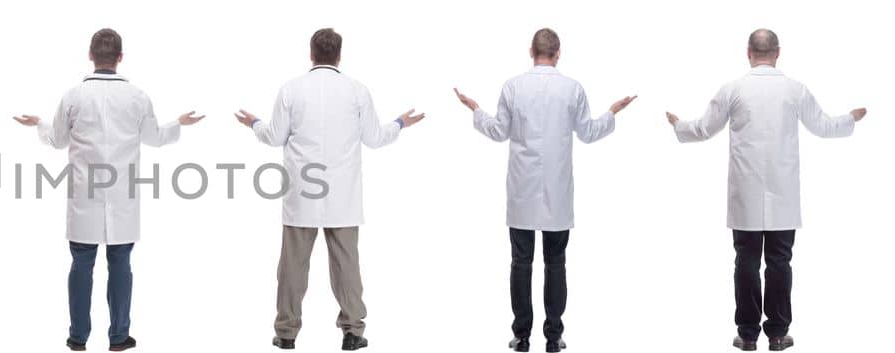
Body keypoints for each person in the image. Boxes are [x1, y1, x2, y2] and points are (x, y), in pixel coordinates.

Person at [664, 28, 866, 352]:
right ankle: (777, 333)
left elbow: (703, 129)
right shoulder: (794, 89)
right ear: (778, 52)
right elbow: (824, 126)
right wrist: (850, 119)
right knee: (780, 262)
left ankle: (747, 335)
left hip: (745, 192)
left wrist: (678, 125)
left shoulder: (734, 89)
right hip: (783, 193)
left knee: (745, 261)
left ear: (748, 52)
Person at [12, 27, 205, 352]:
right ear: (120, 58)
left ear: (90, 56)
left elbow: (58, 141)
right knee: (120, 263)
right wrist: (178, 124)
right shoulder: (137, 97)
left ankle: (78, 337)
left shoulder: (74, 95)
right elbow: (155, 138)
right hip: (121, 197)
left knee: (81, 263)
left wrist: (40, 126)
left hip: (84, 195)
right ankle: (118, 337)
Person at [232, 28, 425, 352]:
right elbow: (375, 138)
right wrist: (400, 124)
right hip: (343, 196)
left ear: (311, 53)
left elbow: (275, 137)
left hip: (301, 194)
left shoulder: (291, 89)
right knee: (346, 266)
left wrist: (255, 124)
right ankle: (352, 332)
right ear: (339, 55)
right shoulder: (356, 91)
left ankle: (287, 333)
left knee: (292, 267)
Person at [451, 28, 636, 353]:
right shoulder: (572, 89)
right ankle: (553, 337)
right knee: (556, 262)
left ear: (530, 50)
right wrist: (612, 113)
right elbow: (589, 133)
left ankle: (521, 336)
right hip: (557, 191)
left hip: (522, 189)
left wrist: (475, 110)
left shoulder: (513, 87)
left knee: (521, 262)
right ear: (558, 52)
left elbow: (498, 132)